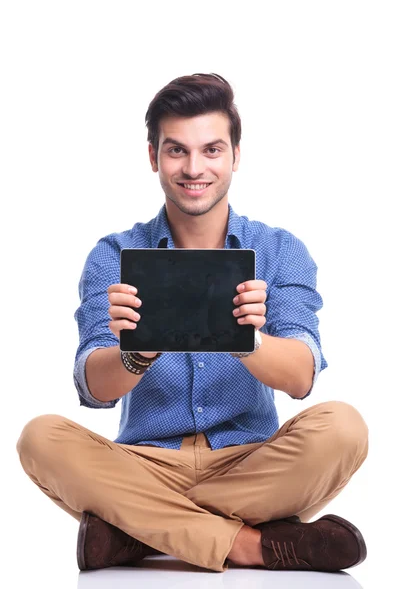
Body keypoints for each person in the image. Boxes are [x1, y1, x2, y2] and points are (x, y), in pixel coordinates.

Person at [16, 73, 368, 574]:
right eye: (177, 151)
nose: (194, 168)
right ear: (153, 157)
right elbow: (95, 388)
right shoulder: (114, 255)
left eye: (211, 150)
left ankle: (137, 532)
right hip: (144, 465)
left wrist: (248, 341)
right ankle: (250, 545)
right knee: (40, 438)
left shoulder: (279, 250)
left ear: (235, 156)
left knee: (344, 428)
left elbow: (301, 377)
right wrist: (136, 352)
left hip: (251, 462)